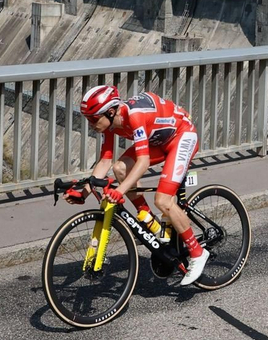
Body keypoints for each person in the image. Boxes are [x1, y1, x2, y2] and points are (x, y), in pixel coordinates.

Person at [71, 83, 208, 287]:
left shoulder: (134, 116)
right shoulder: (110, 124)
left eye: (93, 119)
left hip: (181, 136)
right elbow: (105, 162)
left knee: (163, 200)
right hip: (159, 142)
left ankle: (198, 253)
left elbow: (143, 162)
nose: (91, 124)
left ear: (110, 112)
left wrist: (120, 191)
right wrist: (83, 193)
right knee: (120, 168)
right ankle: (148, 217)